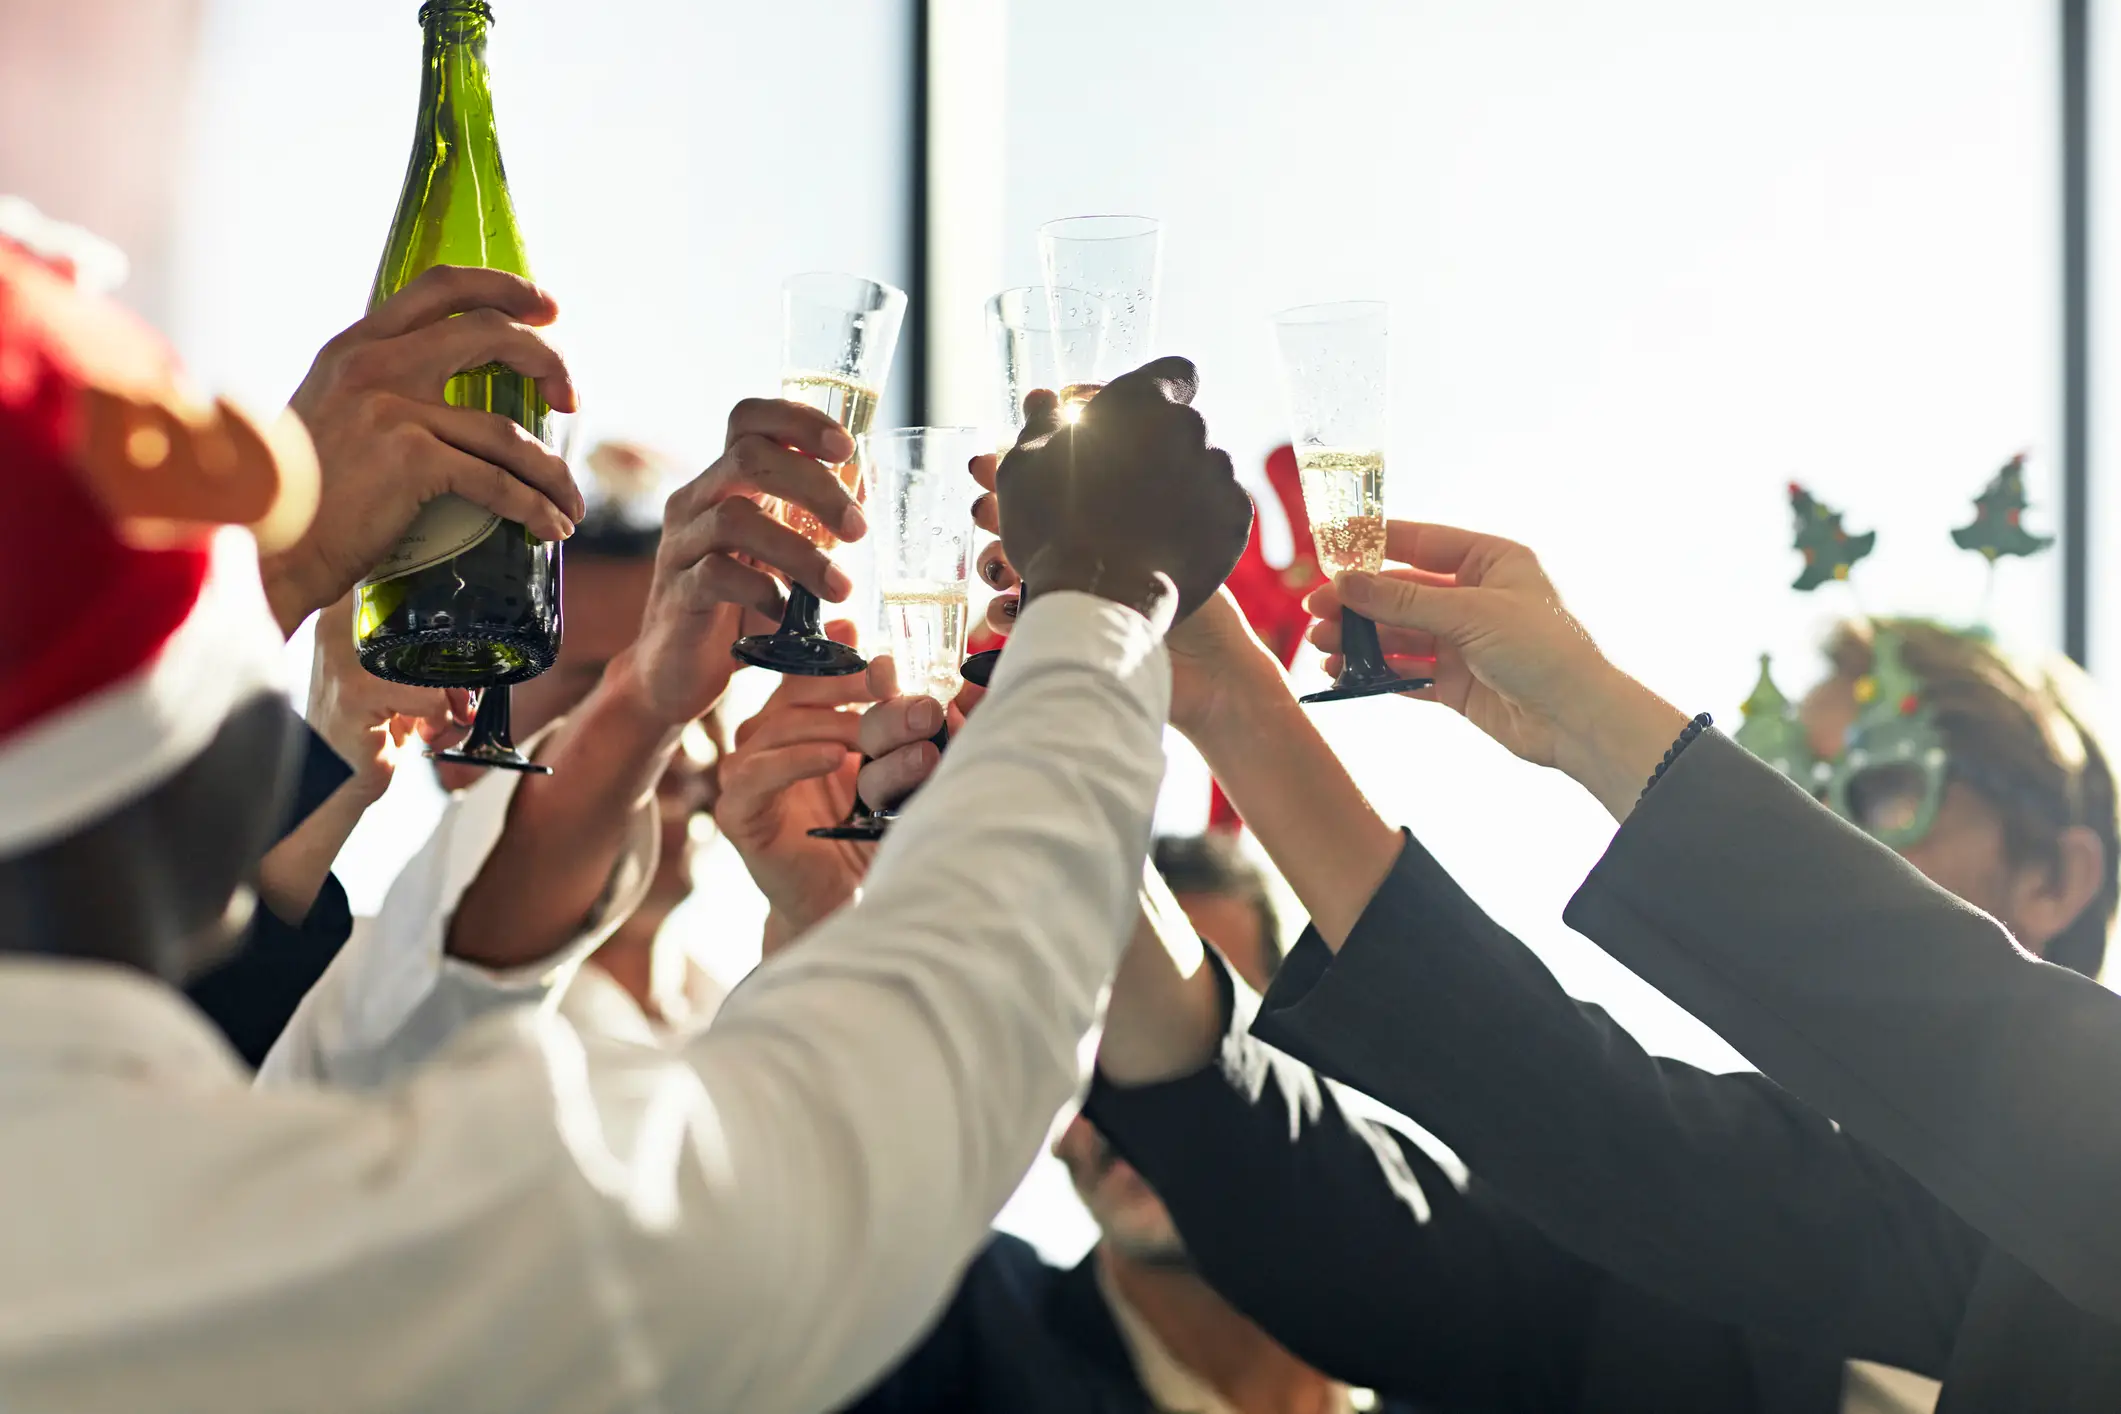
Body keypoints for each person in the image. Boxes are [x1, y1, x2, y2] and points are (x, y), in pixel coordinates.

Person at [0, 220, 1254, 1414]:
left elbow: (383, 1034)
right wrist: (1098, 598)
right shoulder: (379, 1212)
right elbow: (887, 1109)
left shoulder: (155, 1161)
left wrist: (648, 712)